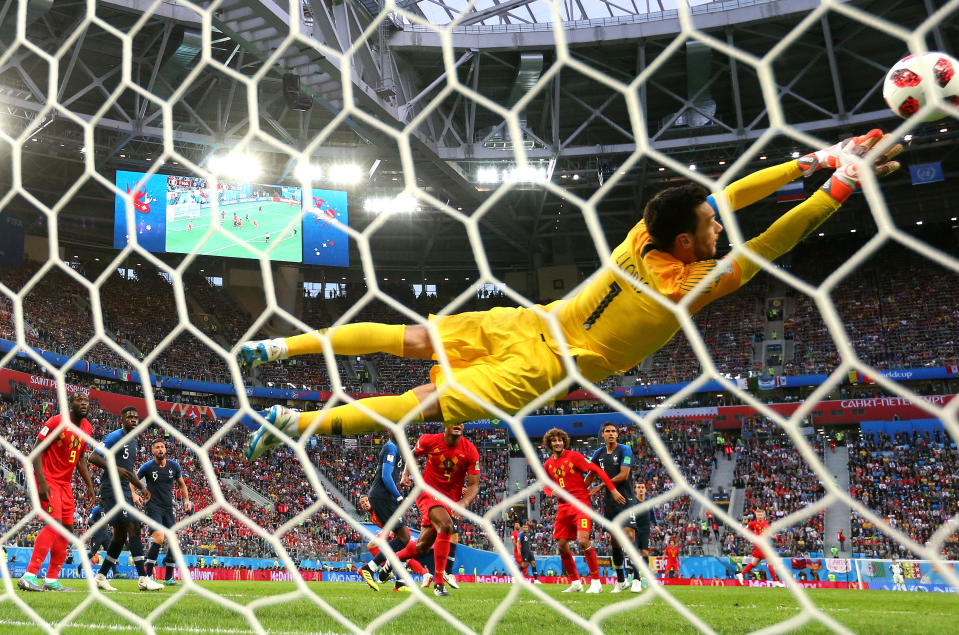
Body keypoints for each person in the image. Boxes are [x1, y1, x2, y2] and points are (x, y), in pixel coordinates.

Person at [237, 131, 902, 460]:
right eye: (709, 229)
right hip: (544, 363)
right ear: (685, 243)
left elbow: (723, 194)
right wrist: (840, 184)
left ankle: (277, 345)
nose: (719, 228)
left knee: (408, 337)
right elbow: (781, 236)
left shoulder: (647, 233)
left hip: (525, 321)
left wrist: (816, 160)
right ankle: (297, 425)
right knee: (420, 404)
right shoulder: (695, 283)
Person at [18, 391, 95, 592]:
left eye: (86, 400)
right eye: (79, 400)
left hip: (65, 484)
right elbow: (36, 451)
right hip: (47, 479)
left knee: (66, 531)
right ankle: (29, 576)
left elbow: (80, 458)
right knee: (54, 525)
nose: (84, 403)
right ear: (71, 404)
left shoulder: (87, 428)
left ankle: (51, 580)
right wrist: (42, 483)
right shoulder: (56, 422)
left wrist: (88, 484)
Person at [392, 423, 480, 597]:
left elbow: (474, 484)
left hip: (450, 499)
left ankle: (391, 560)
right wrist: (405, 474)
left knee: (423, 546)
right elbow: (414, 455)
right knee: (447, 526)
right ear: (446, 423)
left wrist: (464, 502)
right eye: (455, 420)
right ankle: (439, 583)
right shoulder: (429, 440)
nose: (459, 424)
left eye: (462, 421)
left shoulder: (470, 450)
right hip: (427, 491)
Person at [87, 406, 164, 592]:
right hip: (111, 489)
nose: (133, 419)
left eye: (136, 417)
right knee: (133, 526)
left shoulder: (133, 442)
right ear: (122, 419)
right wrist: (114, 468)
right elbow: (92, 457)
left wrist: (141, 487)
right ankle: (144, 578)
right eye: (129, 416)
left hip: (125, 491)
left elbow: (128, 472)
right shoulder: (114, 437)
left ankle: (101, 576)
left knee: (120, 537)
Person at [542, 428, 626, 594]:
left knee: (582, 541)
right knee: (561, 545)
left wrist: (613, 490)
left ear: (564, 442)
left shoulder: (574, 456)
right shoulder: (548, 464)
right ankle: (575, 582)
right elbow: (546, 484)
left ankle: (596, 582)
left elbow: (597, 470)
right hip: (563, 507)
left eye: (560, 440)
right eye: (554, 441)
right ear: (549, 444)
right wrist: (551, 493)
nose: (557, 443)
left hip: (580, 504)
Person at [357, 431, 426, 591]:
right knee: (404, 538)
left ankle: (398, 581)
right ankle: (371, 568)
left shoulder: (397, 448)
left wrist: (403, 478)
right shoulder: (390, 447)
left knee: (403, 538)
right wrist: (399, 497)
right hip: (383, 496)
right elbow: (386, 476)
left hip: (383, 496)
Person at [585, 422, 636, 593]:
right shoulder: (598, 454)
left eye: (614, 431)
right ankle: (621, 581)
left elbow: (624, 475)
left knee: (629, 534)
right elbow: (591, 474)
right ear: (603, 435)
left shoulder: (624, 450)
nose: (611, 433)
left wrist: (601, 486)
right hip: (610, 502)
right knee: (614, 540)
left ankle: (636, 578)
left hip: (626, 498)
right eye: (608, 431)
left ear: (617, 434)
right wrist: (580, 490)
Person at [138, 439, 192, 586]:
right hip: (153, 507)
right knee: (159, 538)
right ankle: (147, 576)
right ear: (153, 451)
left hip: (168, 508)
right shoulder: (147, 467)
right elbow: (132, 481)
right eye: (157, 447)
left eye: (162, 447)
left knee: (174, 541)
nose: (160, 449)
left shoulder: (174, 466)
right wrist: (135, 494)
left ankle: (168, 578)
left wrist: (187, 500)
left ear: (165, 449)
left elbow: (182, 485)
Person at [736, 509, 778, 585]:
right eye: (758, 515)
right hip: (759, 545)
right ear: (756, 516)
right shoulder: (752, 523)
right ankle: (775, 582)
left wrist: (773, 536)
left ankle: (741, 574)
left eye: (761, 515)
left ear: (763, 515)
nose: (760, 517)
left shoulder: (766, 523)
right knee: (770, 562)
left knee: (754, 563)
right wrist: (750, 539)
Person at [625, 481, 654, 592]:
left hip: (645, 531)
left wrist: (655, 525)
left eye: (642, 487)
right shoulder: (632, 503)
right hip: (635, 531)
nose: (641, 489)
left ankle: (643, 577)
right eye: (639, 487)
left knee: (645, 553)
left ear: (645, 490)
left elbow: (652, 515)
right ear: (635, 490)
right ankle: (636, 580)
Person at [76, 505, 112, 577]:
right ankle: (80, 566)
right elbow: (89, 521)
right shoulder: (96, 509)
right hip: (97, 534)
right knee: (93, 552)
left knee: (111, 552)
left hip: (105, 534)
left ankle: (115, 572)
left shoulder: (107, 508)